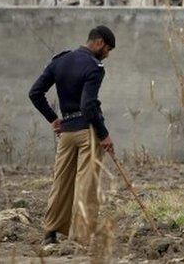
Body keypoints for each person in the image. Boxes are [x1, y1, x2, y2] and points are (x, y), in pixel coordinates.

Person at [28, 25, 117, 247]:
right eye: (107, 49)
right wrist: (104, 134)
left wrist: (53, 119)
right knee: (87, 184)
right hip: (88, 132)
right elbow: (89, 105)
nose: (107, 54)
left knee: (61, 182)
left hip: (66, 132)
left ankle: (50, 233)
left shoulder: (60, 61)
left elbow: (35, 93)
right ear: (98, 43)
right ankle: (82, 238)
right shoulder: (95, 67)